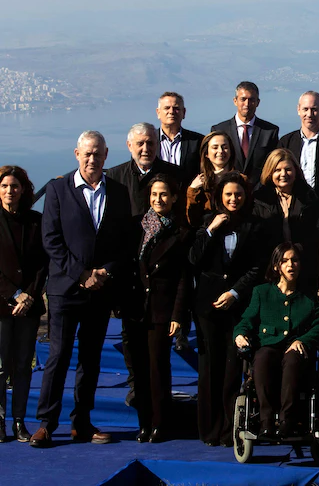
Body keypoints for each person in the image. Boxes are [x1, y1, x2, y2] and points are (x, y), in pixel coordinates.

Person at [30, 131, 132, 448]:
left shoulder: (117, 191)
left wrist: (104, 274)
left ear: (106, 155)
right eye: (87, 153)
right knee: (58, 357)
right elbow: (51, 240)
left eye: (98, 154)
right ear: (77, 154)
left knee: (90, 360)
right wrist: (81, 274)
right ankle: (46, 423)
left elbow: (124, 241)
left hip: (100, 291)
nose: (92, 159)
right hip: (64, 290)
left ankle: (82, 423)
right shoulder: (58, 190)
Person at [189, 171, 265, 446]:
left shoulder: (255, 225)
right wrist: (210, 230)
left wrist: (234, 292)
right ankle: (210, 429)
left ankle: (230, 430)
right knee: (210, 367)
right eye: (229, 194)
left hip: (238, 305)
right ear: (220, 197)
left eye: (239, 194)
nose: (234, 199)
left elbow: (257, 267)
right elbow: (194, 259)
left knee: (233, 369)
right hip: (208, 307)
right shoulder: (209, 222)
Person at [124, 174, 192, 444]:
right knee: (138, 369)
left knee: (157, 369)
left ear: (174, 197)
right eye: (154, 195)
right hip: (135, 308)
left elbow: (184, 279)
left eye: (164, 194)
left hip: (162, 310)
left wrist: (178, 315)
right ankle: (143, 422)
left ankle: (159, 424)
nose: (158, 199)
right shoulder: (136, 227)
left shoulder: (181, 233)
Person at [234, 243, 319, 437]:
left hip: (295, 349)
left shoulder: (309, 297)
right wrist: (240, 335)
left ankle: (287, 420)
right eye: (284, 261)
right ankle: (266, 420)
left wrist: (303, 340)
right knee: (263, 358)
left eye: (294, 260)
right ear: (276, 266)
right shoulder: (261, 292)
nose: (291, 265)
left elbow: (318, 326)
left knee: (293, 359)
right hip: (268, 345)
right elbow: (247, 320)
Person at [0, 166, 47, 443]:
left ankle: (19, 421)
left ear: (23, 189)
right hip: (2, 305)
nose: (9, 191)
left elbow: (43, 263)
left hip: (29, 307)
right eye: (4, 186)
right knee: (1, 368)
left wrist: (29, 295)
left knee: (22, 367)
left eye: (14, 186)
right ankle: (0, 420)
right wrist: (14, 293)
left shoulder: (35, 221)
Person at [252, 148, 319, 298]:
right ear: (270, 172)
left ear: (296, 171)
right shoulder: (259, 199)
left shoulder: (309, 197)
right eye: (277, 170)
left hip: (303, 266)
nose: (283, 174)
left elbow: (317, 232)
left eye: (288, 169)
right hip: (270, 268)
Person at [211, 81, 279, 188]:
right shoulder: (220, 130)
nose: (247, 104)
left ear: (258, 102)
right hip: (228, 193)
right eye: (243, 99)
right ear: (235, 101)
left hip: (260, 194)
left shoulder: (270, 131)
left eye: (251, 100)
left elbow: (272, 165)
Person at [106, 122, 183, 215]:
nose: (146, 149)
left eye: (150, 143)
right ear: (129, 145)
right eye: (140, 143)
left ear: (157, 144)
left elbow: (179, 211)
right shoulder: (115, 176)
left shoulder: (174, 173)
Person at [278, 91, 319, 193]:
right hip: (294, 202)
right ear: (298, 110)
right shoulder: (286, 142)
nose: (309, 114)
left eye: (314, 109)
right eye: (305, 109)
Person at [186, 130, 238, 228]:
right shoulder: (199, 183)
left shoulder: (241, 180)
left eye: (225, 147)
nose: (220, 151)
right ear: (206, 153)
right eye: (215, 147)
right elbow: (192, 220)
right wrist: (192, 191)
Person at [155, 91, 205, 185]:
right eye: (167, 108)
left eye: (176, 108)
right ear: (158, 112)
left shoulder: (198, 141)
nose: (171, 112)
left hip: (187, 197)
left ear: (184, 112)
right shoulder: (149, 141)